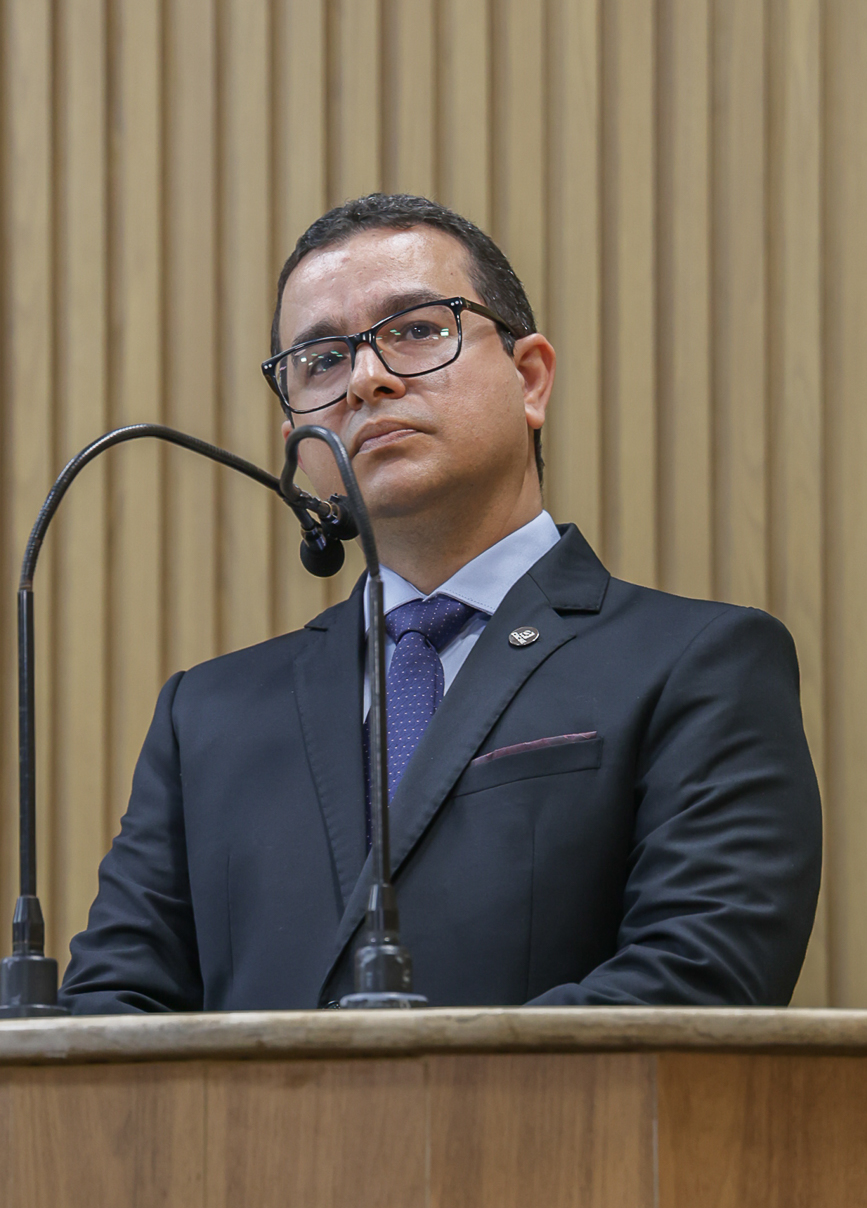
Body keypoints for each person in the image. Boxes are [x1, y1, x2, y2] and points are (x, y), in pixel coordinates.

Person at [59, 193, 821, 1013]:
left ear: (529, 379)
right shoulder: (205, 715)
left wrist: (411, 1096)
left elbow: (696, 978)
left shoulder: (698, 664)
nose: (366, 379)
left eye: (417, 329)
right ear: (296, 445)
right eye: (321, 359)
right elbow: (111, 1013)